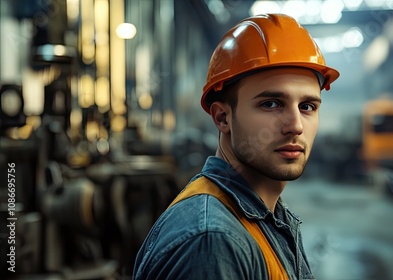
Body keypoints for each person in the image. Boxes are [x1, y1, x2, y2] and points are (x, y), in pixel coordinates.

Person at [133, 13, 339, 279]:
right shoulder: (213, 242)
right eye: (271, 103)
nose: (296, 125)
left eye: (307, 106)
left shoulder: (266, 216)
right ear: (222, 117)